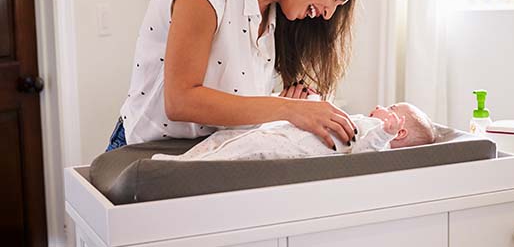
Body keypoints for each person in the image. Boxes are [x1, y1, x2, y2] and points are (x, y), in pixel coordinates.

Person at [106, 0, 369, 152]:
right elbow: (180, 101)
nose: (328, 14)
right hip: (144, 151)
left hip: (203, 156)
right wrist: (286, 108)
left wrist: (285, 105)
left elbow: (228, 102)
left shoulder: (274, 20)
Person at [152, 103, 436, 161]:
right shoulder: (367, 121)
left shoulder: (379, 136)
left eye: (389, 106)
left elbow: (362, 158)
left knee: (248, 148)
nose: (379, 105)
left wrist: (383, 134)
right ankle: (184, 161)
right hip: (289, 129)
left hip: (297, 146)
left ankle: (186, 167)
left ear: (399, 132)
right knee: (228, 137)